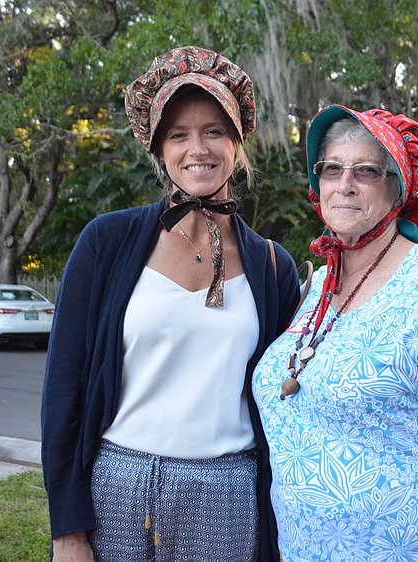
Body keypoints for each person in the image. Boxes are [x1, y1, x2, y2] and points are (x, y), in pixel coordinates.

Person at [40, 46, 299, 562]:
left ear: (237, 142)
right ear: (159, 149)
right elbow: (63, 391)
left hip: (226, 494)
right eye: (178, 135)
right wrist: (67, 529)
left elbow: (287, 405)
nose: (197, 149)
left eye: (213, 131)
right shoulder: (106, 243)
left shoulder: (274, 268)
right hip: (116, 488)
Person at [251, 104, 418, 561]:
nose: (344, 184)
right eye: (332, 169)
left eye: (366, 171)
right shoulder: (316, 288)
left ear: (398, 187)